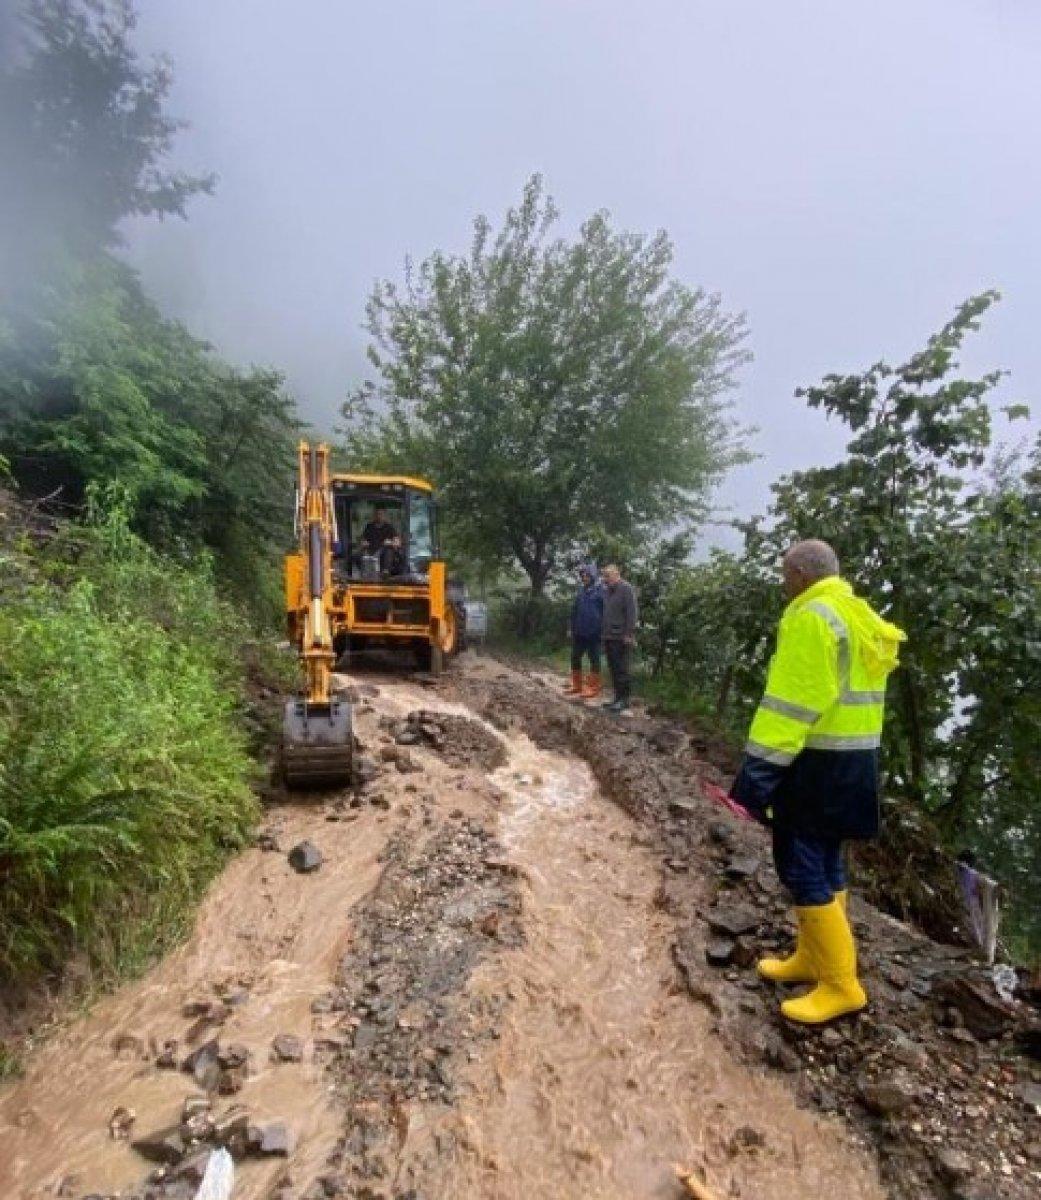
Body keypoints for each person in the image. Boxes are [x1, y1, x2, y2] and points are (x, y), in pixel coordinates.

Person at [729, 539, 906, 1025]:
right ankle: (815, 959)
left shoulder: (811, 618)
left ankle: (840, 984)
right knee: (828, 862)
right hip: (855, 761)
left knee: (801, 864)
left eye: (786, 575)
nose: (783, 585)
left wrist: (756, 776)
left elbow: (792, 705)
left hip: (817, 763)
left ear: (801, 574)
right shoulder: (856, 614)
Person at [600, 563, 638, 714]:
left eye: (608, 576)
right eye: (604, 576)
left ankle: (624, 700)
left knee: (622, 669)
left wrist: (629, 633)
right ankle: (616, 698)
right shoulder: (608, 591)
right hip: (609, 635)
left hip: (621, 636)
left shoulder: (626, 589)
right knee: (613, 668)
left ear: (617, 575)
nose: (605, 579)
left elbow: (632, 613)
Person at [564, 563, 604, 700]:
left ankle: (592, 688)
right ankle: (577, 685)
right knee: (575, 657)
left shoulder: (601, 591)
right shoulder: (581, 591)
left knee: (594, 660)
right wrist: (570, 627)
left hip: (594, 632)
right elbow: (574, 611)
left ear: (593, 576)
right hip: (579, 631)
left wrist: (603, 629)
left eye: (587, 575)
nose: (584, 577)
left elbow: (606, 612)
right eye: (582, 575)